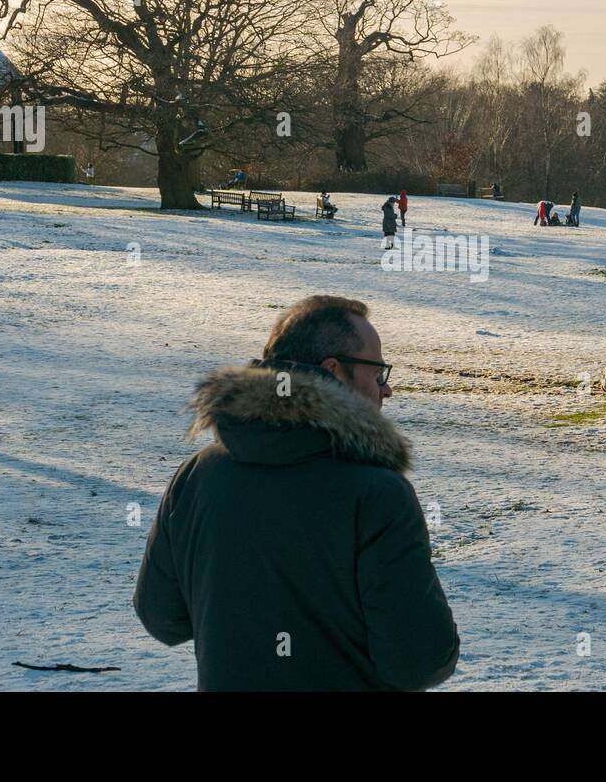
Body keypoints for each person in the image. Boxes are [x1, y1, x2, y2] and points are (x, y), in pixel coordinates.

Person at [133, 296, 459, 691]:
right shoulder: (377, 494)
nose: (387, 389)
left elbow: (162, 618)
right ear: (335, 371)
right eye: (378, 372)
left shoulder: (198, 475)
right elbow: (419, 660)